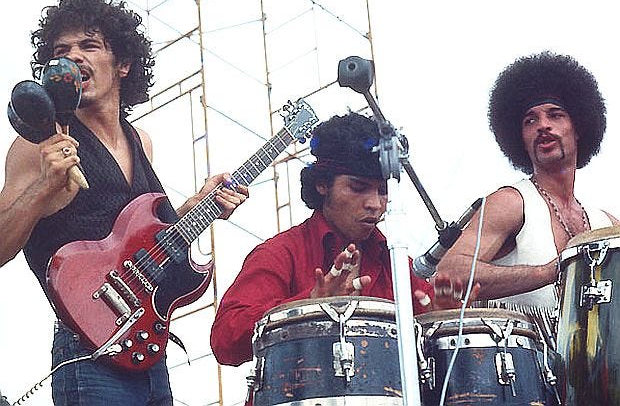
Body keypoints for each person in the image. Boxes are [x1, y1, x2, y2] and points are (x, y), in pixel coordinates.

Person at [0, 0, 247, 405]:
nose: (74, 57)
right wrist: (43, 187)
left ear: (124, 65)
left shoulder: (140, 142)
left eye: (89, 46)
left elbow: (140, 242)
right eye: (62, 50)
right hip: (86, 352)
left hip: (148, 348)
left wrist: (196, 207)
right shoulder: (38, 144)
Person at [210, 111, 468, 368]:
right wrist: (307, 307)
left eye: (383, 191)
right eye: (358, 188)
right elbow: (224, 342)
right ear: (322, 184)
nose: (375, 204)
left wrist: (440, 322)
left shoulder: (398, 266)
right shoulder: (280, 253)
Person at [437, 51, 619, 313]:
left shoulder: (608, 225)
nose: (543, 125)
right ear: (520, 139)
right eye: (530, 120)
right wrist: (547, 272)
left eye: (555, 115)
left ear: (578, 128)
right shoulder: (511, 203)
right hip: (516, 341)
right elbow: (449, 271)